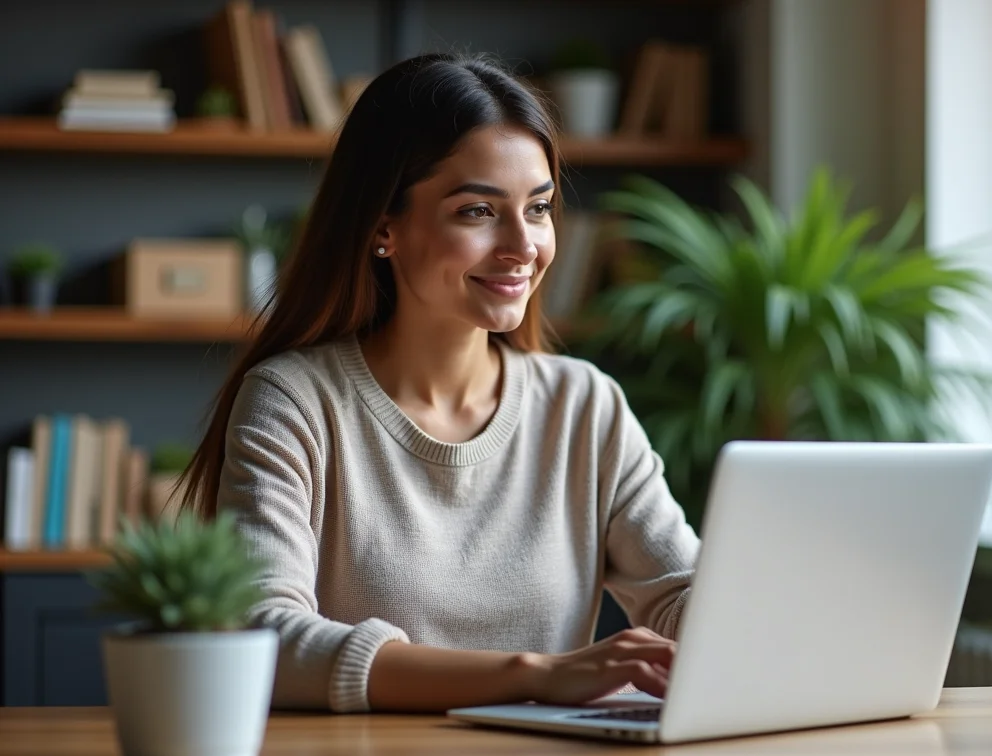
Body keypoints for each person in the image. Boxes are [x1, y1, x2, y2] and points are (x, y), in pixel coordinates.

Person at [179, 53, 701, 714]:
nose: (523, 245)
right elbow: (264, 638)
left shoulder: (585, 405)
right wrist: (534, 673)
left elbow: (685, 598)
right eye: (479, 211)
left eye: (537, 209)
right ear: (382, 228)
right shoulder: (294, 401)